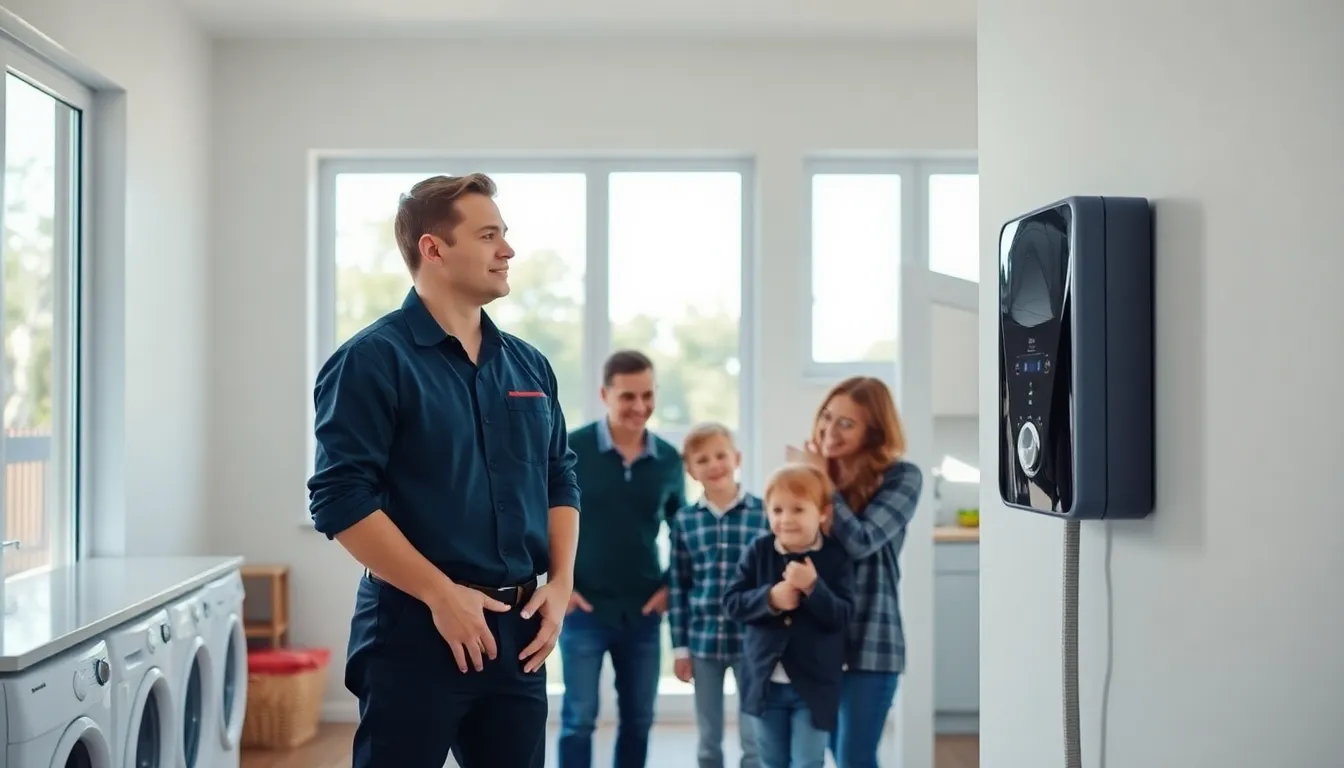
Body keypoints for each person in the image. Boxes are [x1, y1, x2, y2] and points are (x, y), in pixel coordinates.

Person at [307, 173, 581, 768]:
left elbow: (560, 476)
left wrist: (559, 587)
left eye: (504, 234)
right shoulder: (370, 361)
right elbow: (339, 498)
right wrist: (440, 594)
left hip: (518, 633)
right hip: (414, 630)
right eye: (488, 235)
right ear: (433, 248)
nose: (507, 250)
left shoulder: (529, 365)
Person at [558, 349, 686, 768]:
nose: (639, 406)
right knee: (578, 719)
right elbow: (541, 518)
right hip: (582, 608)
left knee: (639, 720)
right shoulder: (571, 449)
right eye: (628, 396)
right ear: (604, 395)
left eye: (647, 395)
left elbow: (683, 532)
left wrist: (670, 585)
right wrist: (561, 584)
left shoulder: (669, 459)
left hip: (644, 612)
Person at [790, 376, 922, 768]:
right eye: (827, 417)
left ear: (874, 432)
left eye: (846, 423)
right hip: (819, 640)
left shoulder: (902, 477)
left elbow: (861, 541)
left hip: (872, 642)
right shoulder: (813, 477)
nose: (830, 430)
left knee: (854, 757)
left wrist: (823, 483)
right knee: (830, 751)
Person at [723, 463, 855, 768]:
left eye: (798, 509)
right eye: (777, 510)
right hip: (764, 685)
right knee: (771, 761)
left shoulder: (836, 557)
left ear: (822, 513)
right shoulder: (758, 551)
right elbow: (732, 603)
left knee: (808, 761)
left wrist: (813, 587)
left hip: (814, 686)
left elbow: (842, 615)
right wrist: (770, 598)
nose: (786, 519)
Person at [668, 423, 767, 768]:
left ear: (736, 458)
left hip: (752, 642)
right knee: (708, 738)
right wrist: (680, 648)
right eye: (703, 459)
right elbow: (679, 587)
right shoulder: (684, 522)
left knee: (754, 736)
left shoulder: (766, 514)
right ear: (691, 471)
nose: (714, 464)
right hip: (703, 643)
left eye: (721, 455)